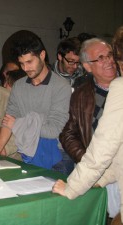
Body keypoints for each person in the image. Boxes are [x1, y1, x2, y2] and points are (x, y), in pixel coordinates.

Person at [53, 26, 123, 225]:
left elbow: (106, 146)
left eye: (111, 55)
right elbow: (68, 133)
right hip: (99, 170)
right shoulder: (81, 94)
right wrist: (89, 165)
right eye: (100, 58)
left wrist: (73, 187)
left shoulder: (120, 87)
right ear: (87, 66)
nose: (109, 61)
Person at [0, 32, 72, 174]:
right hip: (29, 153)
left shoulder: (61, 86)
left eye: (29, 62)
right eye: (22, 63)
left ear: (42, 55)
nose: (25, 68)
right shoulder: (19, 86)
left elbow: (54, 131)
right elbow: (7, 122)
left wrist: (17, 124)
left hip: (58, 157)